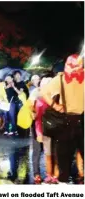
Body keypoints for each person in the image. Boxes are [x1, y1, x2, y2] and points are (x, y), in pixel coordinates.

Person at [39, 54, 84, 184]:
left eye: (77, 66)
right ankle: (63, 187)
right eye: (71, 66)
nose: (74, 69)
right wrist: (55, 105)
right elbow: (44, 92)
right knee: (64, 158)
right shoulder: (60, 79)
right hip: (66, 121)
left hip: (83, 118)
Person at [32, 76, 58, 184]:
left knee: (52, 152)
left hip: (50, 128)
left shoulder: (55, 96)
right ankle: (37, 173)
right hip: (38, 127)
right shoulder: (36, 94)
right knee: (38, 151)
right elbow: (34, 115)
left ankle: (53, 175)